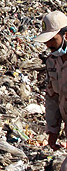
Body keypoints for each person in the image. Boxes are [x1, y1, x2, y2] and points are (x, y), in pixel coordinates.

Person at [33, 11, 67, 151]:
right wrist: (52, 133)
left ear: (65, 36)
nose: (49, 45)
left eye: (52, 40)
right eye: (47, 41)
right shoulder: (52, 62)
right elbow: (52, 97)